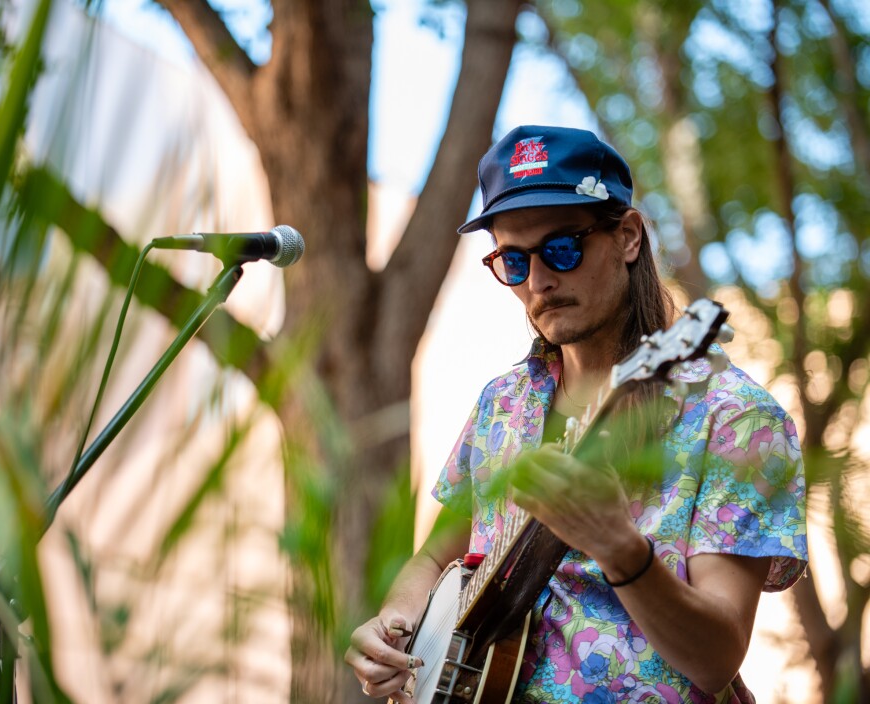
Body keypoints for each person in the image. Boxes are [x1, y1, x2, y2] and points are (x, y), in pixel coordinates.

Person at [345, 125, 808, 702]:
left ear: (630, 237)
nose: (538, 280)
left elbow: (716, 660)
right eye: (513, 261)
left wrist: (621, 550)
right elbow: (435, 555)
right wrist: (394, 627)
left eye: (562, 248)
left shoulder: (735, 418)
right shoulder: (503, 403)